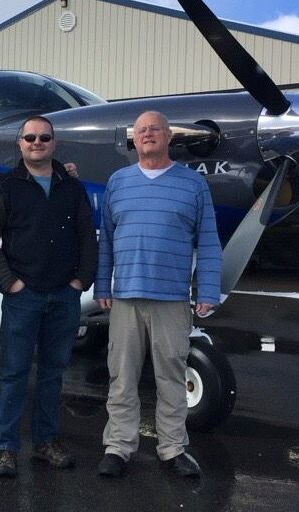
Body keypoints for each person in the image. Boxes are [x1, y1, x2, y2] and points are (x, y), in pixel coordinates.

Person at [94, 111, 222, 478]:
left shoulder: (193, 185)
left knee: (172, 378)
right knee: (121, 378)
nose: (148, 134)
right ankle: (118, 447)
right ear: (135, 140)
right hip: (126, 298)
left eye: (155, 129)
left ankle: (172, 449)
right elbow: (107, 242)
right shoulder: (118, 183)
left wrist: (208, 289)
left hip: (172, 300)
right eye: (141, 130)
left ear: (168, 137)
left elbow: (208, 241)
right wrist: (102, 285)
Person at [0, 115, 98, 477]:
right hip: (23, 296)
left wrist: (81, 280)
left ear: (54, 143)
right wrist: (8, 282)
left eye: (44, 137)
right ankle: (6, 447)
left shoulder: (71, 187)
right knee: (14, 372)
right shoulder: (5, 187)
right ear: (20, 144)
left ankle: (46, 441)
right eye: (30, 137)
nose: (37, 143)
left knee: (53, 372)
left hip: (64, 296)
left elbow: (87, 236)